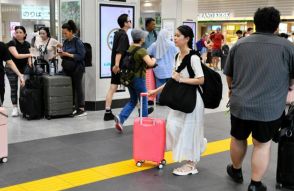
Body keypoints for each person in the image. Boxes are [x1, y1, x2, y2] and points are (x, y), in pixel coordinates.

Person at [224, 7, 294, 191]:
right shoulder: (288, 47)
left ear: (255, 23)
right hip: (270, 107)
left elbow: (229, 74)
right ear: (277, 26)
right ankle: (255, 184)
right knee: (262, 145)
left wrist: (232, 90)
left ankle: (236, 170)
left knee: (238, 138)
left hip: (240, 104)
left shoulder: (240, 44)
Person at [149, 25, 207, 176]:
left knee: (190, 129)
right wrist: (156, 91)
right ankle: (194, 148)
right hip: (180, 99)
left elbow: (201, 80)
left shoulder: (194, 57)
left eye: (178, 35)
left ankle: (191, 164)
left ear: (187, 38)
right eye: (174, 35)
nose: (174, 38)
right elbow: (174, 79)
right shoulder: (177, 56)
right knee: (173, 126)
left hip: (193, 100)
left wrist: (182, 80)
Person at [114, 29, 156, 133]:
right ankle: (144, 122)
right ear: (141, 38)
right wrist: (154, 59)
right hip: (139, 79)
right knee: (144, 99)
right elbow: (150, 63)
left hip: (129, 78)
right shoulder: (142, 50)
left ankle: (121, 118)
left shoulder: (130, 48)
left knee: (133, 100)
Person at [104, 14, 132, 121]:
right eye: (129, 21)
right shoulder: (123, 35)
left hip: (116, 66)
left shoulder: (117, 33)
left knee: (112, 88)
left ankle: (107, 112)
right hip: (120, 67)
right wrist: (117, 65)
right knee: (134, 88)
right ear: (125, 23)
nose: (130, 22)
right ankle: (142, 110)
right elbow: (119, 51)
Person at [60, 20, 87, 117]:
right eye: (63, 33)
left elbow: (81, 56)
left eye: (65, 33)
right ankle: (73, 106)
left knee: (78, 87)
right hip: (68, 68)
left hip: (77, 68)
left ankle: (81, 108)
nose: (64, 35)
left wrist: (68, 54)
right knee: (71, 87)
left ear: (71, 31)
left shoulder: (77, 41)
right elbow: (64, 55)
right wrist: (61, 54)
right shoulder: (66, 42)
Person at [6, 26, 32, 117]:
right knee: (14, 88)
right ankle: (15, 108)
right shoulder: (11, 43)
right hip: (11, 68)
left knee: (24, 87)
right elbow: (16, 56)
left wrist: (30, 63)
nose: (18, 34)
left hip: (23, 68)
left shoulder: (28, 44)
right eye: (16, 32)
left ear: (25, 34)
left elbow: (30, 57)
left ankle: (24, 106)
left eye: (20, 32)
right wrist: (30, 54)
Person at [147, 29, 178, 102]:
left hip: (158, 69)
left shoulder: (154, 45)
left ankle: (160, 100)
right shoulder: (172, 44)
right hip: (170, 68)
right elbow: (177, 53)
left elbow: (147, 52)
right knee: (170, 85)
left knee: (160, 85)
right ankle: (169, 99)